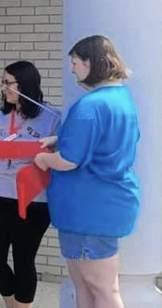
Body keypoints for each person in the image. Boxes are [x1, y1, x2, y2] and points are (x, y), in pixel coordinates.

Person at [34, 35, 139, 308]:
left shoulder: (90, 105)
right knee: (85, 287)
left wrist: (45, 160)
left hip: (88, 211)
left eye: (75, 62)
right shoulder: (121, 97)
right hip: (99, 207)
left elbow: (70, 160)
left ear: (91, 63)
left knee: (102, 290)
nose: (72, 69)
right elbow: (103, 141)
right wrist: (60, 139)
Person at [0, 61, 60, 308]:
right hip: (0, 193)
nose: (2, 88)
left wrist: (56, 141)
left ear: (24, 84)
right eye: (2, 82)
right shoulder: (0, 114)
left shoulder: (52, 116)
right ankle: (12, 303)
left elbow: (67, 150)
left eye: (7, 83)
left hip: (33, 198)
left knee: (24, 259)